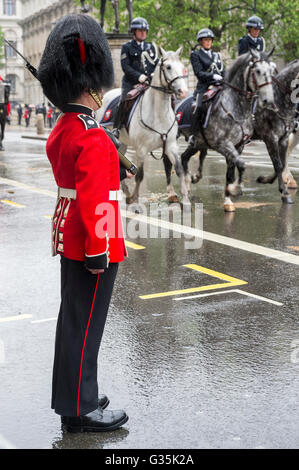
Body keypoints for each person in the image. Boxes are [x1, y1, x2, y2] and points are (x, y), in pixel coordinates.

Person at [38, 13, 132, 433]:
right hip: (94, 241)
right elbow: (96, 199)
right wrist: (99, 250)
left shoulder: (66, 128)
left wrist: (114, 160)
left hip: (70, 236)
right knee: (86, 326)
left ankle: (74, 396)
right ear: (92, 83)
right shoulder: (91, 135)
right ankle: (83, 408)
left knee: (73, 321)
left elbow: (84, 175)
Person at [112, 17, 158, 138]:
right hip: (131, 82)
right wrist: (139, 77)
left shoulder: (151, 47)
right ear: (134, 32)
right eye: (140, 30)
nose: (143, 33)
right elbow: (125, 66)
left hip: (149, 82)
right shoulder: (127, 47)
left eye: (145, 30)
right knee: (123, 100)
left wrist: (153, 74)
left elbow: (155, 63)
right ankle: (116, 128)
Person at [189, 28, 225, 143]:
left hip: (219, 85)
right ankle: (193, 135)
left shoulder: (217, 55)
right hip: (203, 87)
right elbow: (198, 73)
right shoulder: (196, 55)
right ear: (200, 42)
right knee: (198, 107)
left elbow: (223, 70)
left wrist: (227, 77)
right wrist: (212, 76)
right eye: (206, 40)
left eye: (210, 40)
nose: (208, 42)